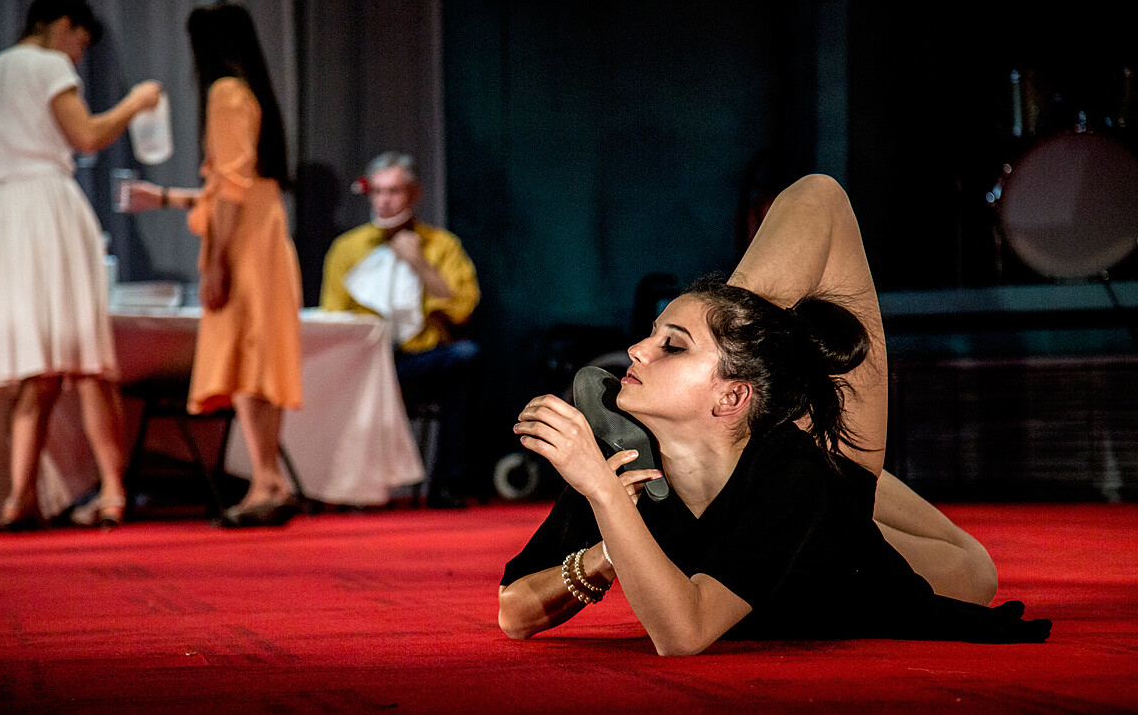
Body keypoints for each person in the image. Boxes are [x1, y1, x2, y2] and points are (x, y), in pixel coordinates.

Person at [499, 174, 1049, 654]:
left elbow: (683, 635)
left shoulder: (794, 477)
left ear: (730, 397)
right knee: (975, 571)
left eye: (672, 345)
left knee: (820, 196)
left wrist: (604, 494)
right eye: (653, 337)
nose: (635, 351)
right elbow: (514, 614)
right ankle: (737, 352)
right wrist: (607, 552)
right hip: (790, 481)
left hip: (823, 508)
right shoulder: (626, 459)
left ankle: (744, 347)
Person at [0, 0, 162, 529]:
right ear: (62, 27)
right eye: (79, 43)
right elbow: (87, 135)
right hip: (48, 208)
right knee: (84, 357)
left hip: (3, 214)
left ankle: (19, 496)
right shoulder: (48, 65)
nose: (78, 57)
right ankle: (114, 490)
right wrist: (135, 103)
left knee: (37, 364)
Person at [125, 0, 302, 527]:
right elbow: (235, 188)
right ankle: (269, 478)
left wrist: (216, 263)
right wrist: (164, 198)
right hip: (264, 236)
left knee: (245, 357)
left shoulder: (225, 93)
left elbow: (229, 190)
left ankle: (267, 478)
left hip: (244, 245)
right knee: (256, 357)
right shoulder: (251, 93)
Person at [320, 152, 481, 508]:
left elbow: (463, 311)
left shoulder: (441, 245)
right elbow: (333, 320)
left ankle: (448, 484)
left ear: (414, 193)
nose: (385, 201)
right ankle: (348, 487)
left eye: (394, 191)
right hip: (364, 362)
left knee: (466, 355)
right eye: (377, 192)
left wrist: (419, 263)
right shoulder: (347, 249)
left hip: (417, 360)